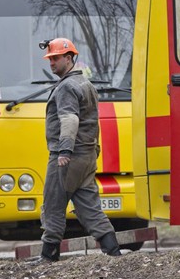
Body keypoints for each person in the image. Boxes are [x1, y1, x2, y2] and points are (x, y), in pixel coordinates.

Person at [33, 37, 121, 263]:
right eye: (50, 59)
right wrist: (94, 150)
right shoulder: (86, 84)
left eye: (56, 58)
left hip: (68, 157)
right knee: (89, 207)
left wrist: (64, 152)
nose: (51, 63)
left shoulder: (66, 87)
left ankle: (48, 255)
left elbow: (70, 120)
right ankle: (113, 252)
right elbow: (92, 121)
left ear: (69, 58)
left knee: (53, 203)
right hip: (86, 155)